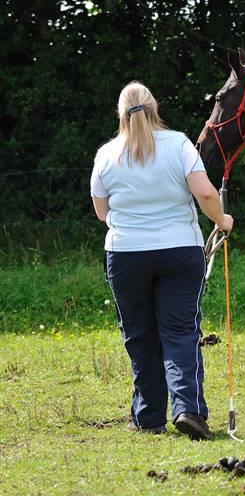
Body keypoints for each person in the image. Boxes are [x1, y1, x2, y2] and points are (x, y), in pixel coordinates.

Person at [90, 81, 233, 439]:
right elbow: (203, 191)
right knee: (181, 332)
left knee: (139, 336)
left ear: (120, 114)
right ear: (155, 108)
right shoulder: (180, 143)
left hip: (125, 255)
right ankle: (188, 411)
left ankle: (148, 416)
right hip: (180, 251)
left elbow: (102, 211)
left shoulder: (107, 154)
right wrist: (222, 220)